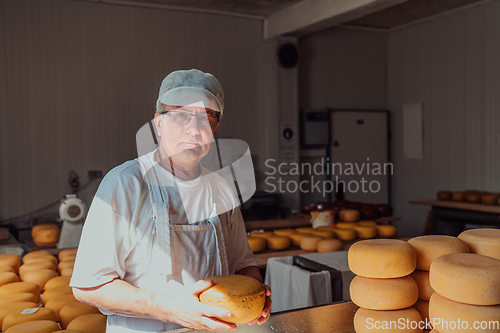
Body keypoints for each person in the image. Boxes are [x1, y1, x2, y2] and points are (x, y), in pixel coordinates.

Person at [70, 69, 271, 332]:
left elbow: (242, 264)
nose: (193, 129)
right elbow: (89, 286)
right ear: (158, 123)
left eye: (205, 118)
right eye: (180, 115)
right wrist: (172, 310)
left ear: (215, 128)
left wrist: (255, 294)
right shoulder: (125, 184)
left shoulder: (221, 189)